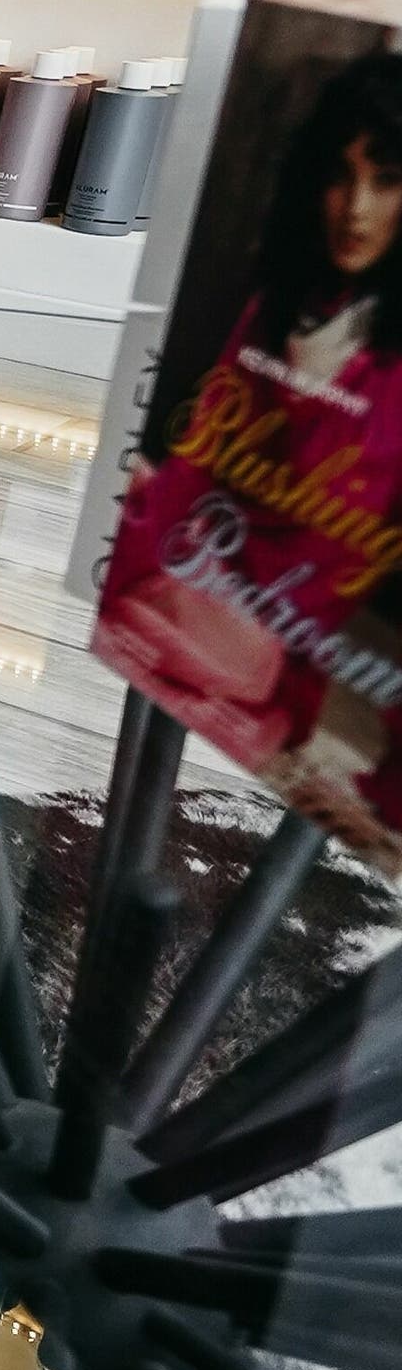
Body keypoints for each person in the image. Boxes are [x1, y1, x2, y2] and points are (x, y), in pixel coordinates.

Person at [99, 51, 402, 821]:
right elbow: (193, 466)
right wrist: (131, 533)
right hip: (191, 589)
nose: (356, 209)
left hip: (280, 655)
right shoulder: (280, 306)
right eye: (341, 175)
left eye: (387, 180)